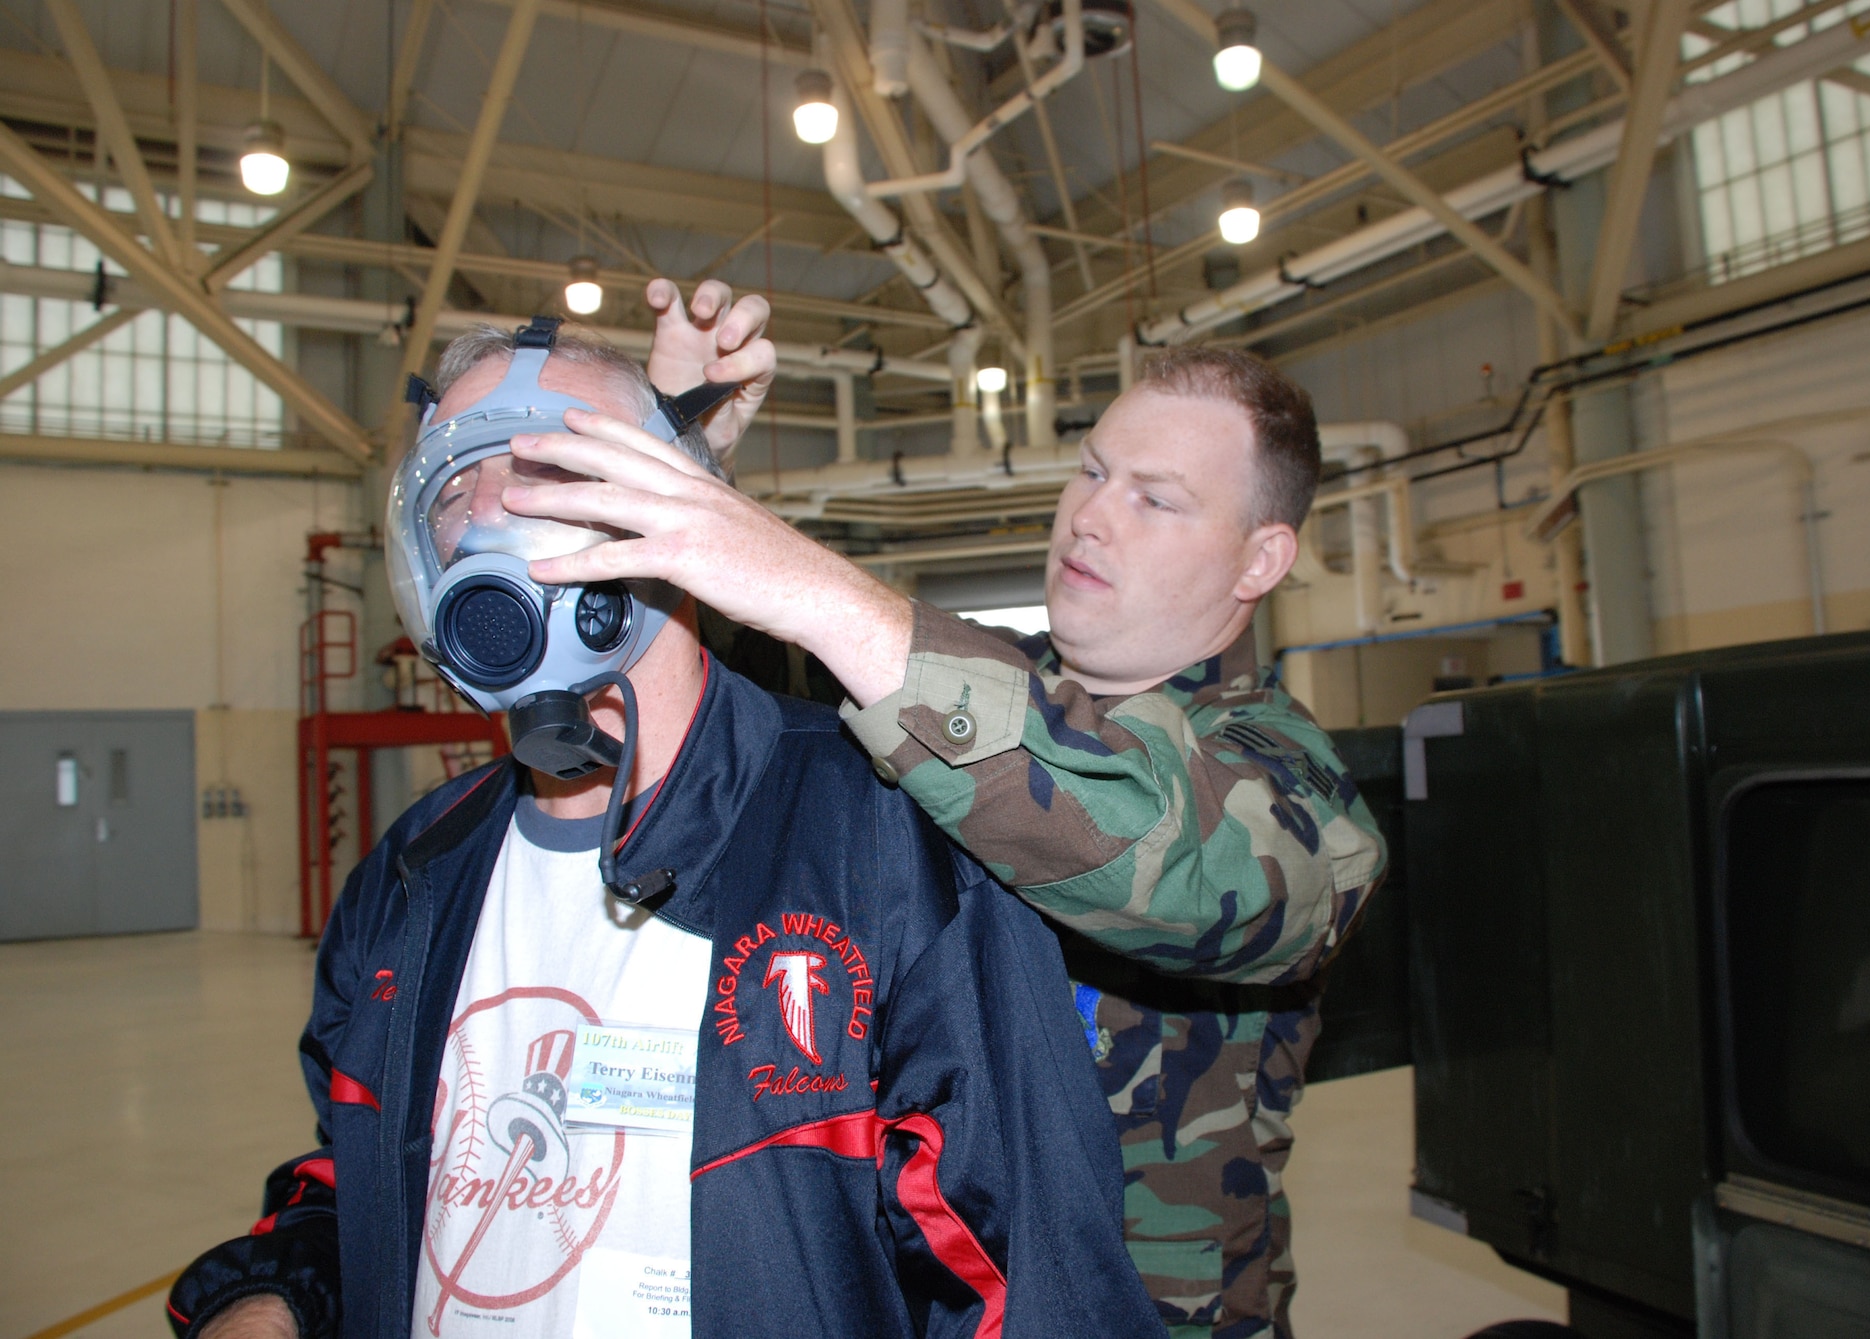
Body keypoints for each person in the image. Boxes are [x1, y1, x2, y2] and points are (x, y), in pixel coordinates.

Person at [166, 317, 1162, 1339]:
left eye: (558, 469)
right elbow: (355, 1179)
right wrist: (269, 1301)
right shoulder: (411, 871)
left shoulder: (882, 841)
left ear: (682, 515)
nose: (499, 509)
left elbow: (1029, 1275)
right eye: (457, 491)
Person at [500, 339, 1388, 1338]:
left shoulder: (1291, 789)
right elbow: (746, 703)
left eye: (1155, 499)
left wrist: (820, 589)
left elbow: (1152, 842)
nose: (1089, 515)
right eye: (1091, 470)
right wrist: (687, 453)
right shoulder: (975, 679)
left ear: (1260, 558)